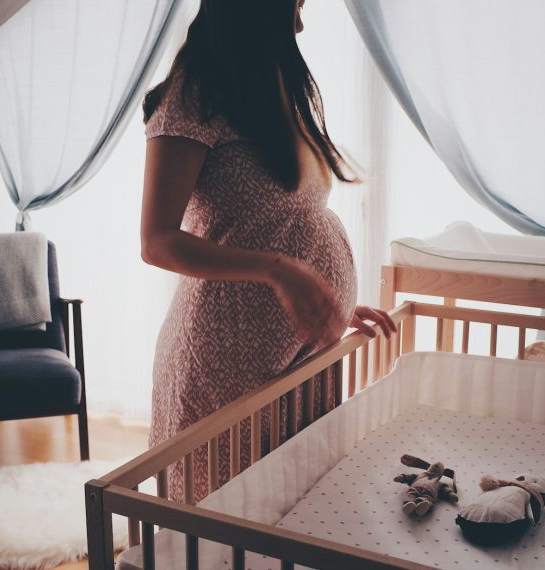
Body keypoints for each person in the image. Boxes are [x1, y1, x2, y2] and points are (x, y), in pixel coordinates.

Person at [140, 0, 396, 502]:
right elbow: (157, 241)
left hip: (294, 361)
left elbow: (280, 222)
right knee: (227, 524)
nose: (301, 19)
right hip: (224, 366)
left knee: (287, 508)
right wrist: (281, 272)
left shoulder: (271, 89)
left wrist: (324, 305)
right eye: (294, 5)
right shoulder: (192, 96)